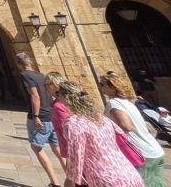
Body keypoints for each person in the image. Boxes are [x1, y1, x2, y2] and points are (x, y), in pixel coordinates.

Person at [58, 79, 144, 187]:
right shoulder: (103, 119)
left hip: (106, 179)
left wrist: (70, 181)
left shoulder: (74, 123)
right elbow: (122, 137)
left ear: (65, 98)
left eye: (59, 94)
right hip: (130, 174)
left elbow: (76, 156)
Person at [100, 73, 165, 187]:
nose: (100, 87)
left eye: (102, 85)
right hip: (154, 150)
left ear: (112, 87)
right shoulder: (128, 103)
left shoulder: (113, 103)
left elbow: (126, 126)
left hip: (140, 153)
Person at [16, 53, 61, 187]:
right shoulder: (41, 75)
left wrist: (35, 116)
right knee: (58, 149)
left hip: (40, 116)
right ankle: (75, 180)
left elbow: (35, 96)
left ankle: (55, 183)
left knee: (37, 148)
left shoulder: (25, 75)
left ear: (19, 64)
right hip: (51, 115)